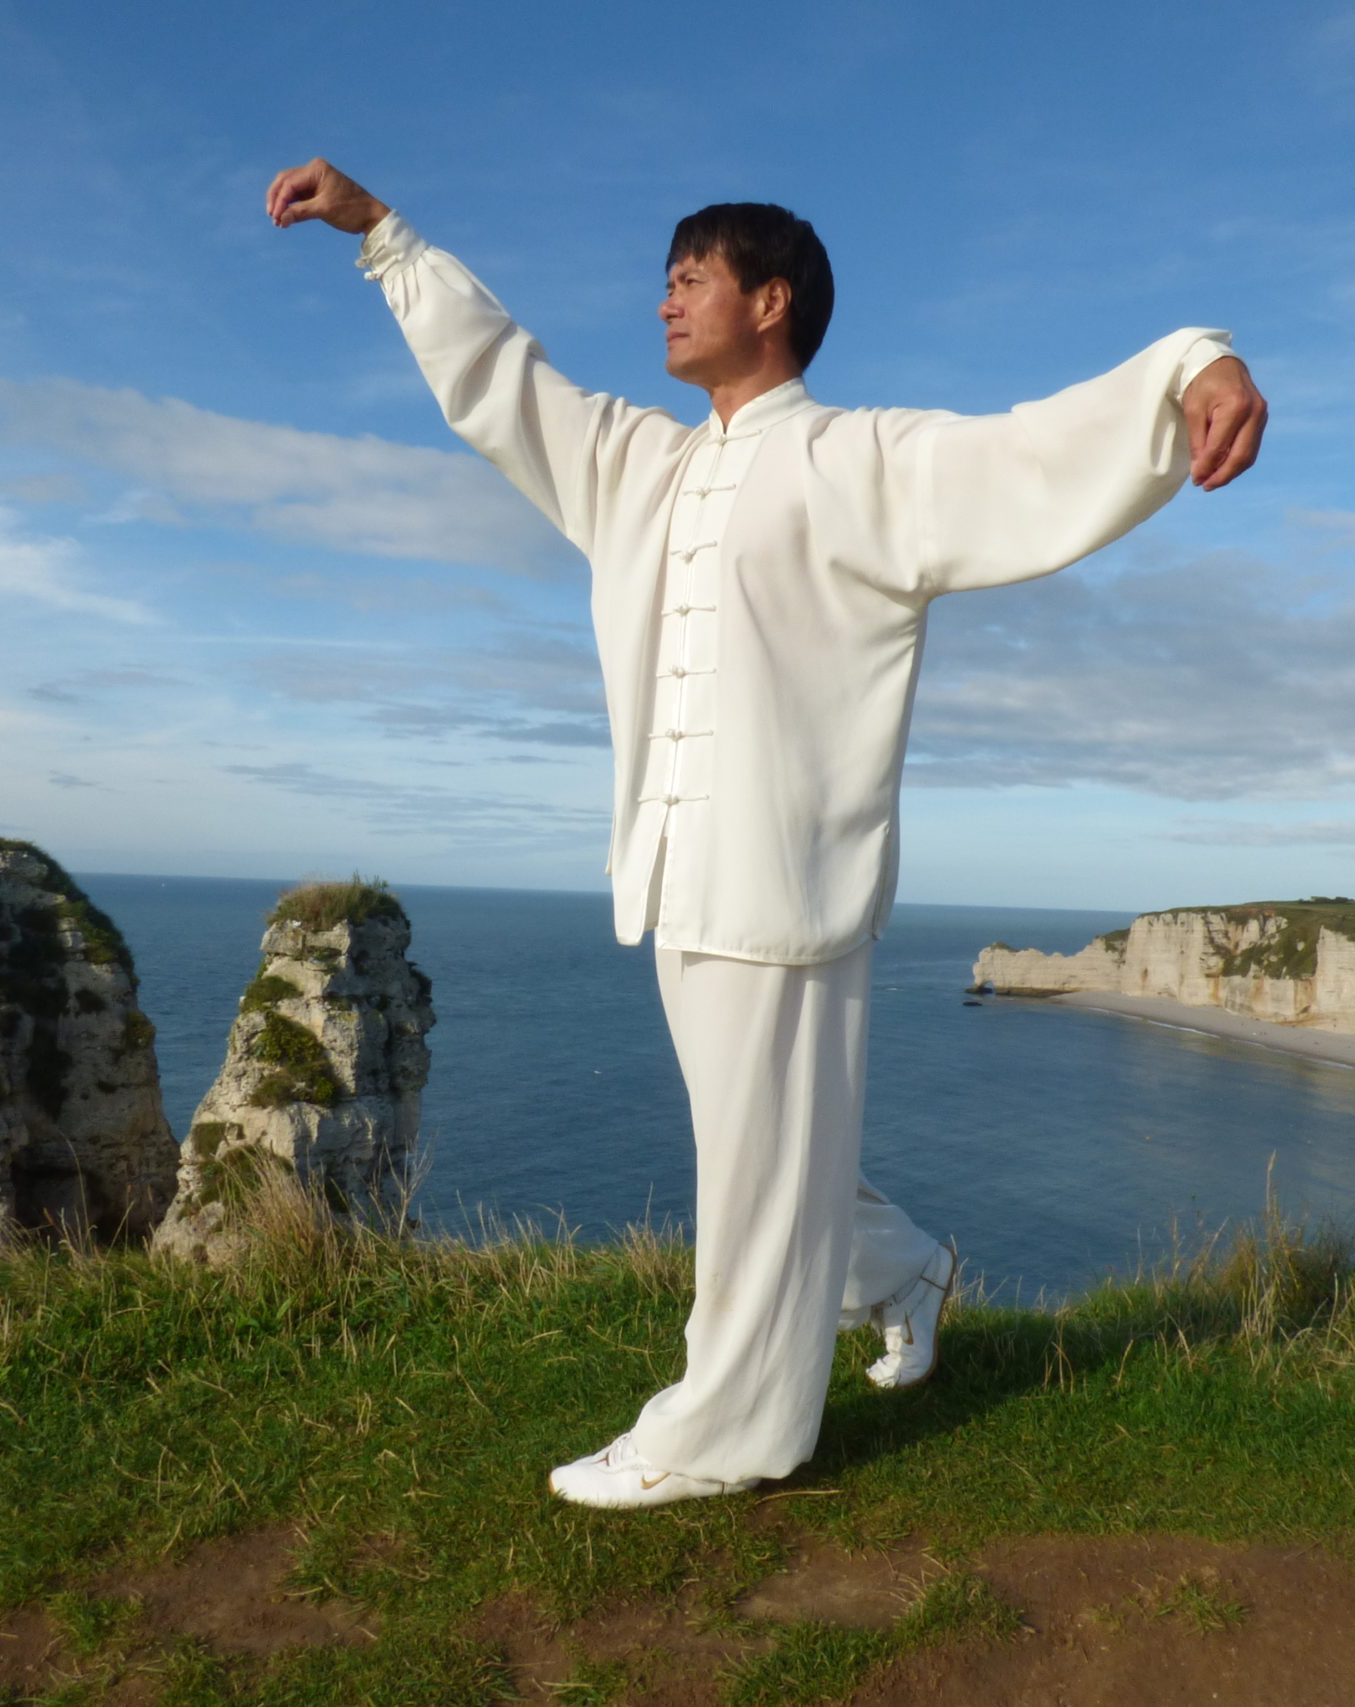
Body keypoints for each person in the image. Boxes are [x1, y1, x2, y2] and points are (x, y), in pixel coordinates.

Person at [267, 157, 1267, 1509]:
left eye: (695, 276)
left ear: (772, 301)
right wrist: (384, 238)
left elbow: (1037, 447)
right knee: (765, 1145)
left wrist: (1195, 368)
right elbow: (502, 382)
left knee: (752, 1164)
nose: (666, 297)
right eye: (667, 277)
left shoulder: (867, 462)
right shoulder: (639, 468)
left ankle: (724, 1432)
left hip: (792, 879)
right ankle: (905, 1270)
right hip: (677, 878)